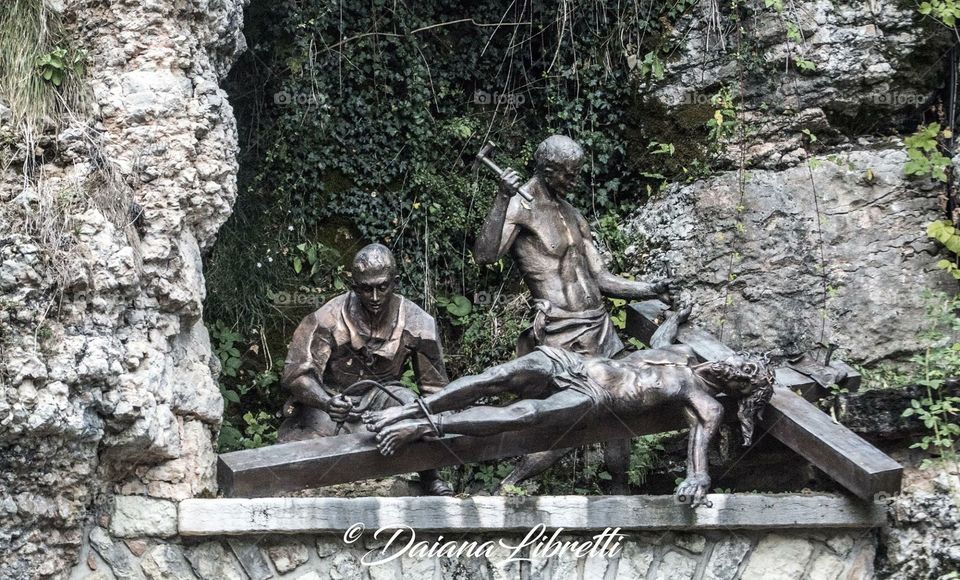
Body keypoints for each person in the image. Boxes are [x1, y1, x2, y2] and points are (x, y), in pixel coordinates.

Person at [363, 307, 775, 507]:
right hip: (576, 361)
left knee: (521, 415)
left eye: (746, 370)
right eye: (744, 358)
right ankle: (407, 411)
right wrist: (672, 317)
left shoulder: (705, 401)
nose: (736, 362)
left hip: (593, 399)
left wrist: (696, 481)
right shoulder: (684, 352)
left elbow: (699, 457)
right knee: (493, 377)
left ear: (742, 388)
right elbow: (659, 339)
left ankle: (424, 426)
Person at [473, 134, 670, 491]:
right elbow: (486, 255)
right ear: (548, 170)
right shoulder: (521, 206)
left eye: (577, 173)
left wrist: (650, 288)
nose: (574, 181)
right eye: (568, 174)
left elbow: (602, 278)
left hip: (600, 326)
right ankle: (506, 487)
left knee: (620, 408)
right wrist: (502, 197)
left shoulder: (572, 213)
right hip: (563, 332)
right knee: (572, 419)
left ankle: (620, 491)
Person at [278, 243, 453, 496]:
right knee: (311, 443)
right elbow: (297, 375)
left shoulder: (419, 323)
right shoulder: (327, 318)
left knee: (411, 406)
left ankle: (430, 474)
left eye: (382, 287)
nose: (374, 297)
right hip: (336, 398)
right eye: (366, 289)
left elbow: (435, 389)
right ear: (354, 286)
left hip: (384, 397)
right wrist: (328, 402)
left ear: (395, 282)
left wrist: (426, 421)